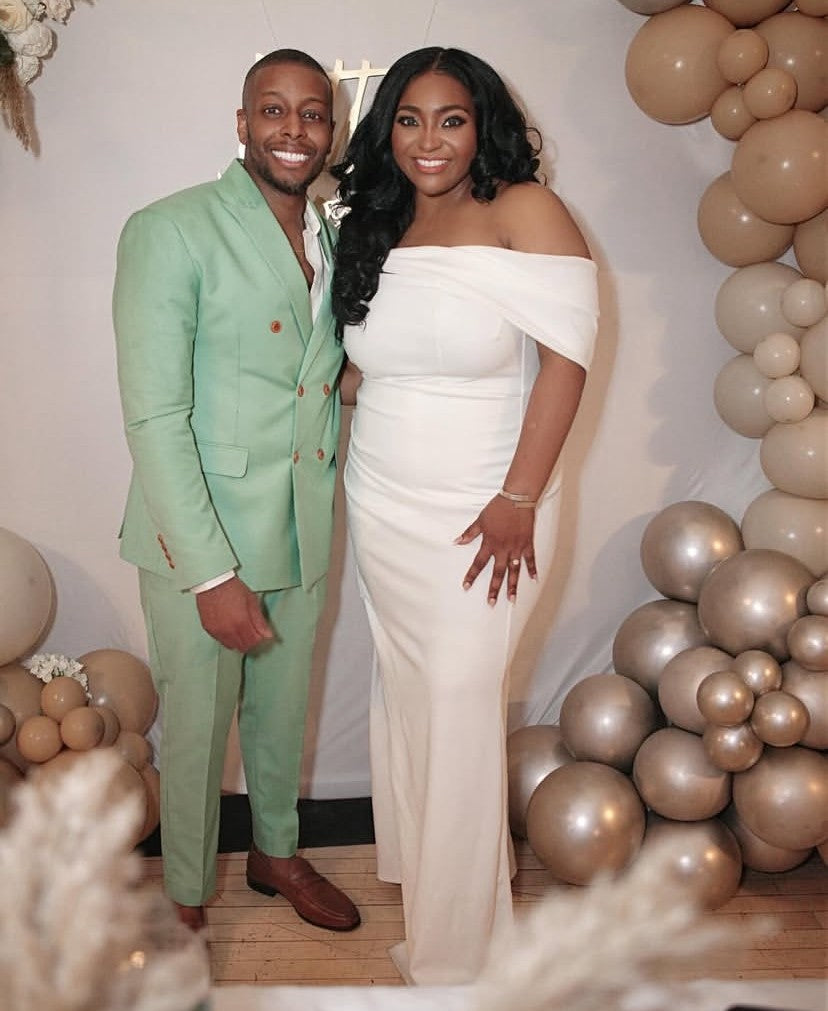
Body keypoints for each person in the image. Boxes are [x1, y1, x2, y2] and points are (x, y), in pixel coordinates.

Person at [331, 47, 599, 984]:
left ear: (483, 124)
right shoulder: (381, 219)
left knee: (456, 699)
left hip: (491, 508)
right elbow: (373, 370)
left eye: (451, 119)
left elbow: (566, 363)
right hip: (385, 501)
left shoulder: (526, 208)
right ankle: (440, 899)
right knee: (415, 699)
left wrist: (520, 496)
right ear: (387, 130)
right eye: (409, 119)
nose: (429, 140)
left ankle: (462, 959)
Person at [113, 49, 359, 934]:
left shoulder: (335, 238)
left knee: (282, 715)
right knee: (196, 731)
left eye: (312, 113)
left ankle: (275, 852)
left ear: (331, 131)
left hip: (301, 523)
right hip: (201, 538)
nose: (294, 129)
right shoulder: (170, 229)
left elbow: (317, 374)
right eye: (273, 109)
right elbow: (154, 419)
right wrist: (210, 574)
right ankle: (183, 900)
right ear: (242, 122)